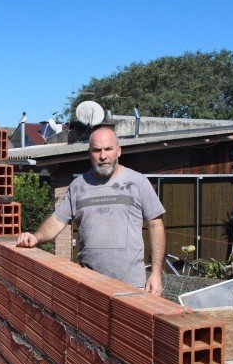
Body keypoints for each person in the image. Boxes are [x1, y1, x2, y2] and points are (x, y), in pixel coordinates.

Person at [16, 126, 166, 295]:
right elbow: (58, 220)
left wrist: (155, 274)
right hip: (89, 284)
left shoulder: (137, 182)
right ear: (90, 153)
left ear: (118, 151)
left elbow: (156, 225)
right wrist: (35, 237)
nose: (103, 156)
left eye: (108, 149)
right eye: (97, 150)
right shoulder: (78, 186)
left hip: (131, 285)